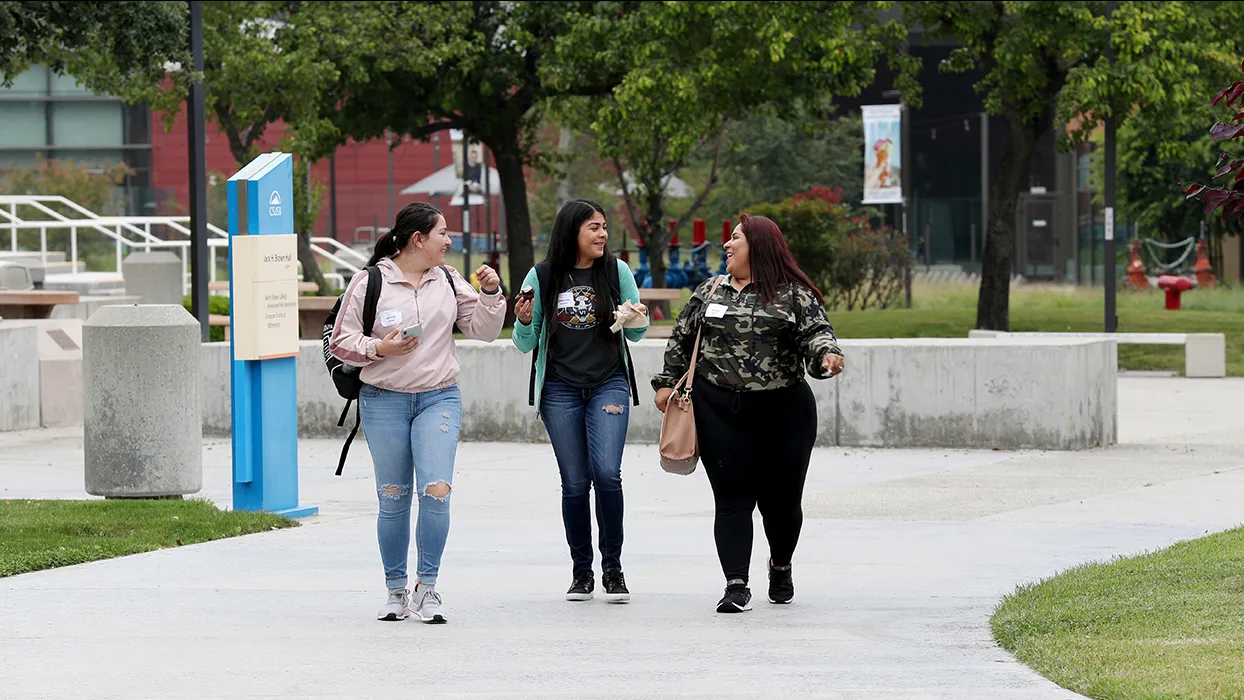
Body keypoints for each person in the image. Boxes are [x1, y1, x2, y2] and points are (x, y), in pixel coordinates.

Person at [651, 214, 844, 614]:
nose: (727, 245)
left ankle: (781, 563)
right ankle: (736, 584)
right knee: (732, 498)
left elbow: (816, 334)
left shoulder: (793, 295)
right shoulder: (710, 291)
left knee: (781, 503)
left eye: (735, 238)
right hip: (719, 410)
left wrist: (827, 356)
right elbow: (682, 336)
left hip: (784, 413)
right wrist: (666, 382)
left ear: (757, 245)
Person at [329, 201, 507, 623]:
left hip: (439, 398)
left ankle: (427, 588)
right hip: (383, 399)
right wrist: (380, 348)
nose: (450, 240)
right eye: (443, 233)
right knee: (393, 499)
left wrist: (491, 293)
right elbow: (341, 340)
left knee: (436, 491)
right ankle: (395, 590)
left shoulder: (447, 278)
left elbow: (482, 331)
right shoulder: (369, 281)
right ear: (418, 239)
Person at [512, 199, 649, 603]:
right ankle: (581, 571)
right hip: (559, 388)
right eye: (594, 227)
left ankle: (613, 569)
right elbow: (524, 345)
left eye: (604, 226)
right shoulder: (542, 276)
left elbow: (637, 335)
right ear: (572, 231)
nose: (603, 234)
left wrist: (637, 316)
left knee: (607, 474)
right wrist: (521, 320)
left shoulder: (616, 270)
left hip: (608, 383)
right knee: (575, 483)